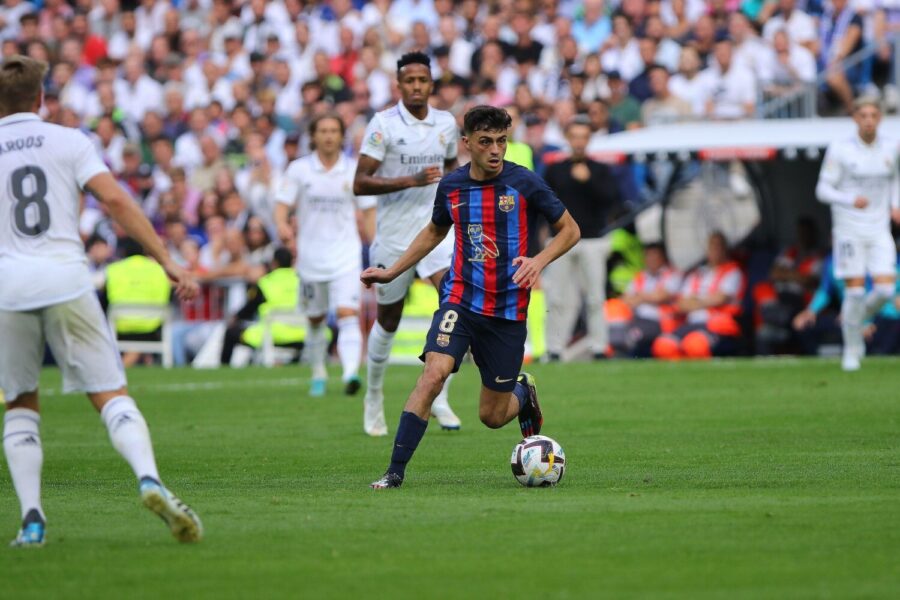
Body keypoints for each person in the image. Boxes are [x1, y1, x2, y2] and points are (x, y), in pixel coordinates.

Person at [0, 55, 201, 546]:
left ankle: (32, 520)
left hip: (9, 286)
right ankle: (149, 479)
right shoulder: (70, 141)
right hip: (67, 279)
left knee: (21, 402)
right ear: (41, 97)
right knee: (110, 392)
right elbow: (115, 200)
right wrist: (166, 259)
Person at [361, 105, 581, 489]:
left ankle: (522, 391)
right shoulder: (452, 186)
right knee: (433, 374)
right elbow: (434, 231)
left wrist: (539, 260)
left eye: (501, 141)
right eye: (486, 142)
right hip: (460, 300)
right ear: (466, 143)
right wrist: (393, 271)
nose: (495, 150)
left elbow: (570, 230)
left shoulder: (524, 182)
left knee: (492, 417)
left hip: (507, 312)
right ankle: (394, 472)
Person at [353, 51, 462, 436]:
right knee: (388, 320)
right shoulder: (383, 124)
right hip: (395, 238)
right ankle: (374, 397)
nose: (417, 86)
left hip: (437, 233)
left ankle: (439, 396)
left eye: (422, 80)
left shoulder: (446, 123)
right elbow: (360, 183)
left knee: (456, 308)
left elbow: (452, 169)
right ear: (399, 85)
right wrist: (410, 181)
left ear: (431, 84)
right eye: (410, 81)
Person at [275, 113, 374, 396]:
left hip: (345, 254)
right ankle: (318, 372)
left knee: (347, 313)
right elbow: (282, 205)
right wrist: (282, 226)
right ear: (314, 136)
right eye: (323, 130)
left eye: (333, 130)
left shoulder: (353, 169)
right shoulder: (299, 169)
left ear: (341, 136)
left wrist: (374, 244)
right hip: (310, 256)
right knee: (316, 318)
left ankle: (350, 373)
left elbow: (369, 211)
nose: (329, 136)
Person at [816, 97, 900, 371]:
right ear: (855, 118)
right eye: (863, 115)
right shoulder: (840, 149)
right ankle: (852, 349)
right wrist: (850, 199)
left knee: (885, 289)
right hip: (849, 229)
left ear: (880, 118)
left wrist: (895, 205)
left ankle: (854, 321)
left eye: (873, 115)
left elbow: (895, 178)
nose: (868, 120)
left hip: (879, 228)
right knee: (854, 292)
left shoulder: (891, 147)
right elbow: (822, 190)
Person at [543, 116, 621, 361]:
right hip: (560, 240)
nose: (579, 142)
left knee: (595, 297)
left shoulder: (600, 170)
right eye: (575, 137)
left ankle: (599, 347)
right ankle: (554, 348)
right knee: (557, 297)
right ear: (567, 139)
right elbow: (543, 203)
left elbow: (612, 200)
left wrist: (589, 181)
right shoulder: (555, 169)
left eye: (583, 137)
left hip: (593, 240)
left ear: (589, 140)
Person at [652, 232, 745, 360]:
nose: (715, 250)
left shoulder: (733, 272)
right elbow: (681, 304)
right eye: (712, 246)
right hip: (692, 323)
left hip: (717, 325)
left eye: (719, 246)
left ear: (725, 249)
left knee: (695, 345)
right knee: (663, 345)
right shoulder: (697, 274)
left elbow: (720, 299)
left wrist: (695, 300)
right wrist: (704, 301)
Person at [220, 248, 306, 367]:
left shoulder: (265, 282)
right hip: (303, 334)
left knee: (231, 333)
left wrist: (235, 317)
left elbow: (249, 309)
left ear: (274, 263)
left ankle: (224, 368)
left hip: (273, 335)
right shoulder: (302, 282)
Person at [609, 242, 683, 357]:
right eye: (648, 255)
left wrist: (640, 296)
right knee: (615, 326)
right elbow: (626, 298)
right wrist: (648, 297)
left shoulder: (673, 274)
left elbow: (662, 296)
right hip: (636, 318)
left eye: (654, 255)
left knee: (632, 335)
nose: (651, 259)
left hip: (659, 321)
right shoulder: (641, 276)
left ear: (663, 257)